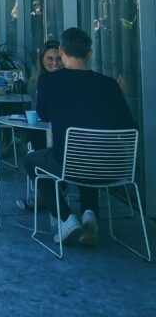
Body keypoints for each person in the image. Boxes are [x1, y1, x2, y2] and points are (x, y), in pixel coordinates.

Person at [24, 27, 136, 247]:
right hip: (114, 169)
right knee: (91, 151)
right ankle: (89, 211)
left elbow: (43, 115)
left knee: (33, 160)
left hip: (70, 165)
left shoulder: (49, 81)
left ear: (62, 53)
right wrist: (118, 96)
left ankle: (66, 218)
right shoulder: (109, 84)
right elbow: (130, 127)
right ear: (90, 54)